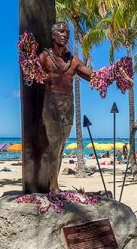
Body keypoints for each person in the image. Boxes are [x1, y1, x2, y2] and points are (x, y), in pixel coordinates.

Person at [38, 22, 93, 194]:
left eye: (67, 32)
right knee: (55, 143)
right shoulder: (45, 57)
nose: (65, 35)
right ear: (53, 35)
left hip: (68, 106)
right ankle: (53, 185)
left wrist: (112, 73)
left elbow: (92, 77)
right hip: (51, 104)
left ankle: (53, 183)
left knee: (61, 145)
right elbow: (32, 74)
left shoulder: (73, 61)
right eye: (61, 31)